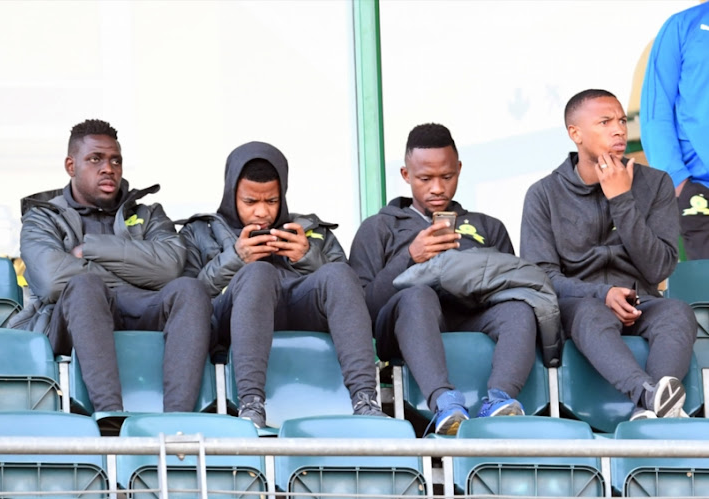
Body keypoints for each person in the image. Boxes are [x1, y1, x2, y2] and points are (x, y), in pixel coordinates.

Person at [349, 123, 540, 436]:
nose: (437, 188)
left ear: (459, 170)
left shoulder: (487, 227)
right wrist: (410, 256)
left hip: (472, 313)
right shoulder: (378, 228)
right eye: (425, 179)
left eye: (447, 177)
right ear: (405, 175)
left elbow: (513, 285)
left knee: (519, 307)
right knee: (418, 295)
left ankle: (500, 401)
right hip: (405, 322)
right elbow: (363, 310)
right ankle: (445, 405)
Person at [10, 119, 213, 413]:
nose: (109, 168)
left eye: (115, 160)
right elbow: (54, 281)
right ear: (71, 166)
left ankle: (177, 419)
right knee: (85, 287)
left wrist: (92, 248)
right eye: (95, 159)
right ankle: (110, 416)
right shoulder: (42, 217)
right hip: (71, 318)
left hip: (141, 307)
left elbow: (169, 268)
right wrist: (136, 269)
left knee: (189, 289)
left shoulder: (148, 213)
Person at [180, 141, 385, 428]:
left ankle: (366, 400)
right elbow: (188, 300)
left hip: (300, 309)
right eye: (251, 202)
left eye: (272, 201)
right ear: (231, 194)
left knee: (337, 272)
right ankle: (250, 405)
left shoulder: (314, 232)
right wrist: (235, 260)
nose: (262, 212)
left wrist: (307, 256)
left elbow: (350, 295)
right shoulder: (200, 232)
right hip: (233, 317)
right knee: (259, 274)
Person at [521, 89, 697, 420]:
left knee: (677, 312)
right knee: (591, 313)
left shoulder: (655, 183)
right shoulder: (543, 194)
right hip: (580, 307)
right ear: (575, 133)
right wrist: (602, 294)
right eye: (605, 122)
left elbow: (659, 265)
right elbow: (540, 278)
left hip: (639, 301)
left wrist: (621, 199)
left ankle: (650, 412)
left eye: (621, 120)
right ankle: (648, 396)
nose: (619, 130)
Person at [640, 2, 709, 260]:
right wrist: (678, 181)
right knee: (705, 292)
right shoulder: (683, 26)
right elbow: (655, 110)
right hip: (700, 188)